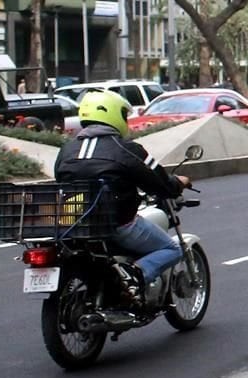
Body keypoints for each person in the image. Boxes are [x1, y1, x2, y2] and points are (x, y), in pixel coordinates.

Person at [54, 90, 190, 305]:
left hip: (73, 225)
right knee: (172, 249)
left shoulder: (67, 150)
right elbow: (160, 183)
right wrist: (178, 183)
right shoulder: (128, 149)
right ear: (113, 115)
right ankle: (134, 276)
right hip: (117, 225)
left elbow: (59, 179)